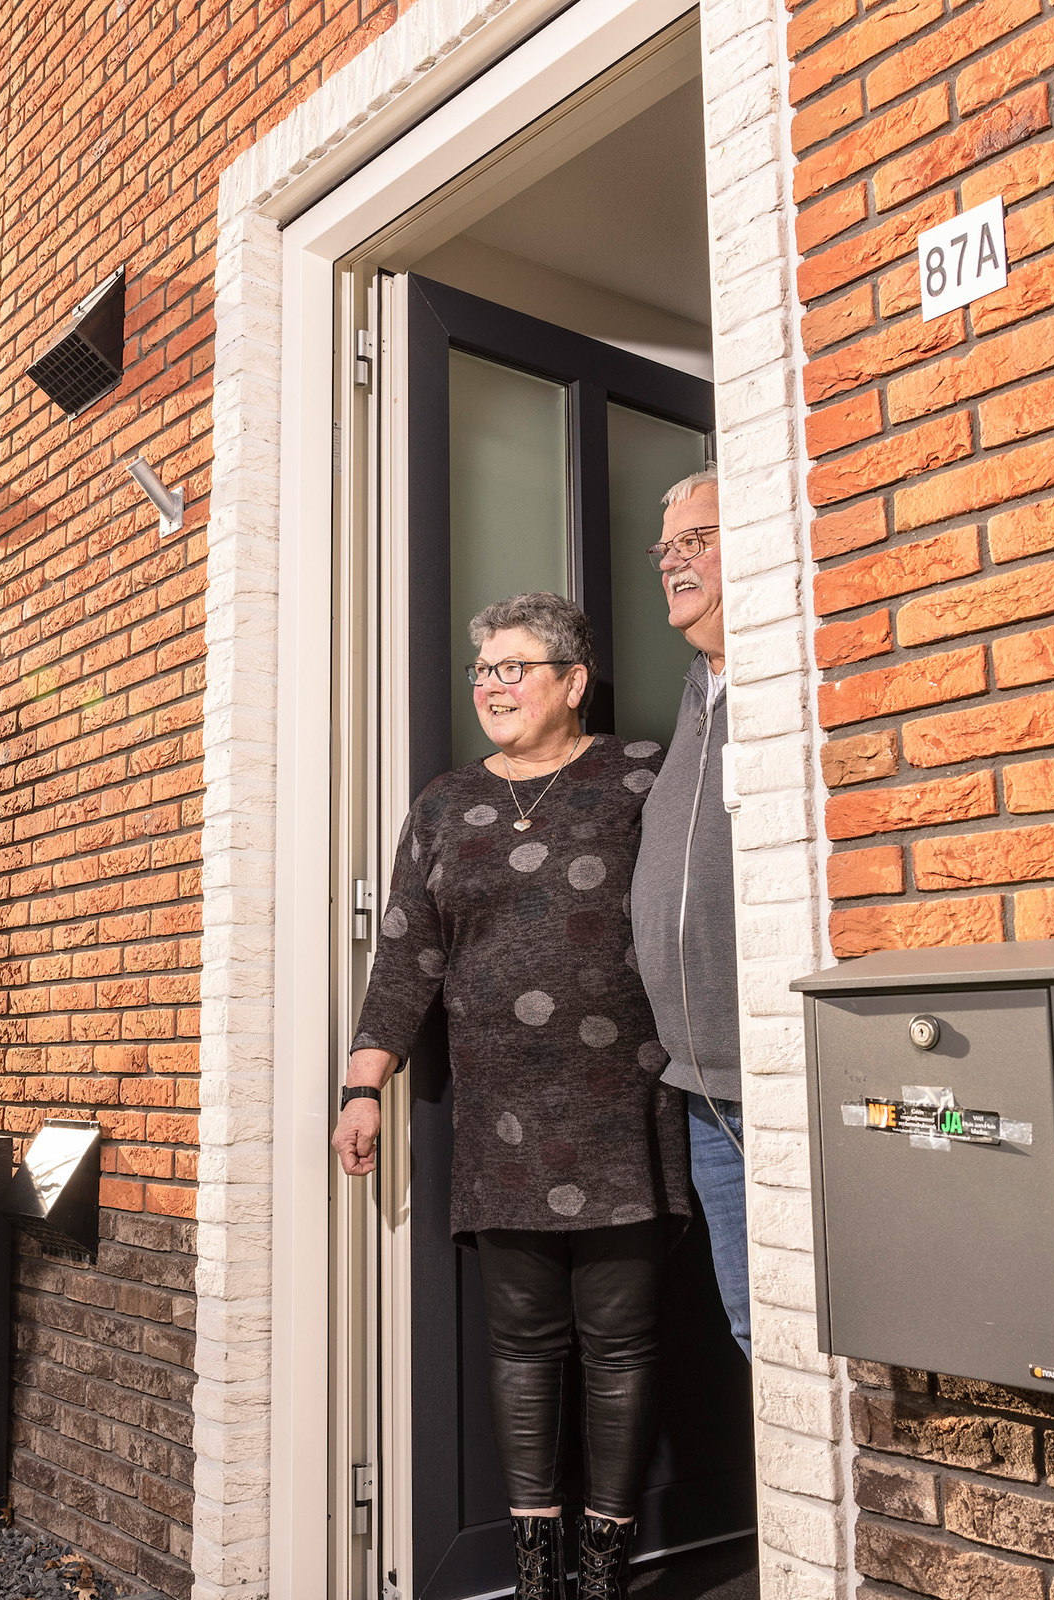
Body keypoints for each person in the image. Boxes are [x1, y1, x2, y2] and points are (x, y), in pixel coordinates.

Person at [332, 592, 688, 1600]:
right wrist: (364, 1083)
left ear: (572, 682)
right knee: (523, 1346)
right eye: (482, 668)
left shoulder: (639, 773)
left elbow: (693, 907)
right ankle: (539, 1581)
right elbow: (405, 954)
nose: (491, 683)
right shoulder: (444, 804)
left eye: (514, 666)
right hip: (500, 1116)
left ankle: (604, 1574)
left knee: (619, 1346)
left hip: (623, 1103)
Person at [630, 467, 750, 1361]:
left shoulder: (778, 676)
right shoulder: (695, 696)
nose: (675, 561)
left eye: (696, 540)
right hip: (705, 1090)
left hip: (770, 1080)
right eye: (666, 548)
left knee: (798, 1322)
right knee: (752, 1322)